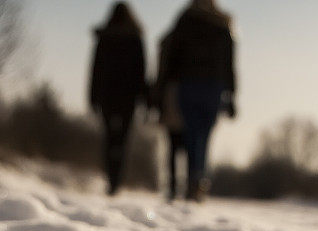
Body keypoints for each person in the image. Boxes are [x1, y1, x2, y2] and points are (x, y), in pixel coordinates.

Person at [164, 0, 236, 201]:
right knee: (203, 136)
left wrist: (167, 85)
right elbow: (229, 63)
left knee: (191, 133)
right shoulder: (222, 24)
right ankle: (198, 179)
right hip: (213, 87)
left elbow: (173, 54)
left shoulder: (185, 20)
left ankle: (194, 180)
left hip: (189, 85)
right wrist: (231, 94)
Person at [90, 2, 147, 195]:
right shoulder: (135, 38)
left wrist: (93, 97)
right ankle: (116, 180)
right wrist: (143, 97)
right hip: (127, 97)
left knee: (110, 138)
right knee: (121, 139)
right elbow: (141, 71)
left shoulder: (105, 37)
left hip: (107, 95)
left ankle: (111, 179)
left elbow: (96, 70)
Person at [152, 30, 185, 201]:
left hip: (171, 94)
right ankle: (182, 185)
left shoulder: (168, 41)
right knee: (186, 145)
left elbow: (161, 71)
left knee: (173, 145)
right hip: (188, 95)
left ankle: (174, 185)